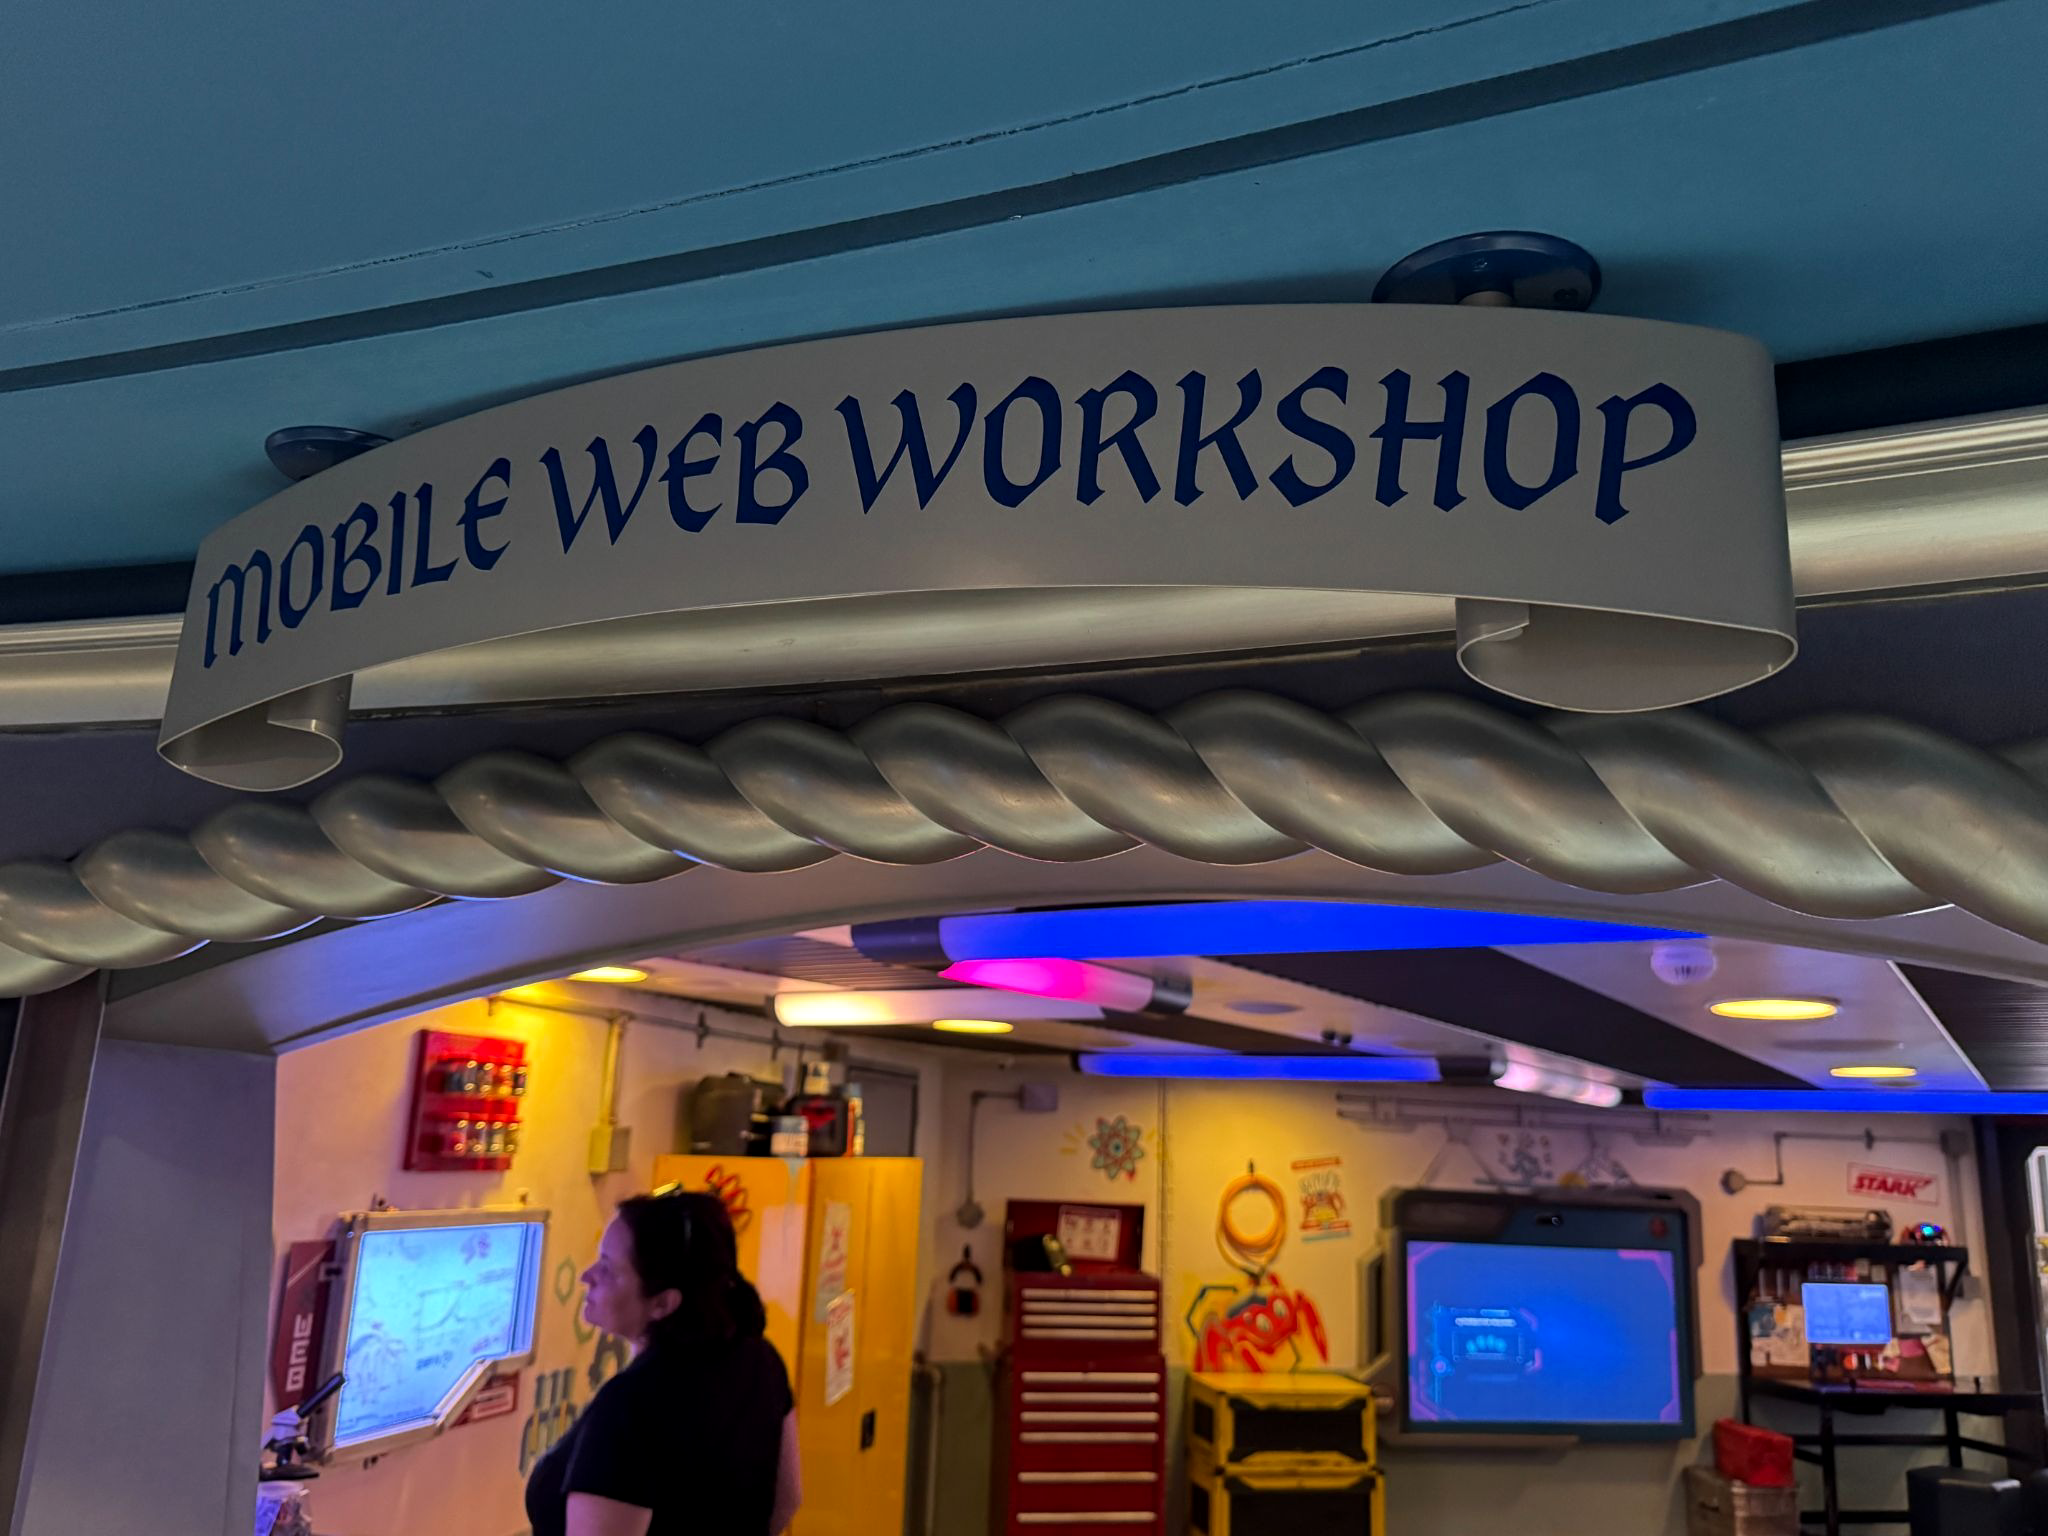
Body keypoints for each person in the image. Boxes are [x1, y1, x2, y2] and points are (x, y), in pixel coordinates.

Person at [526, 1190, 802, 1536]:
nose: (587, 1276)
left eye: (607, 1269)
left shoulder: (631, 1405)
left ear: (662, 1304)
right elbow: (788, 1499)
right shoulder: (760, 1360)